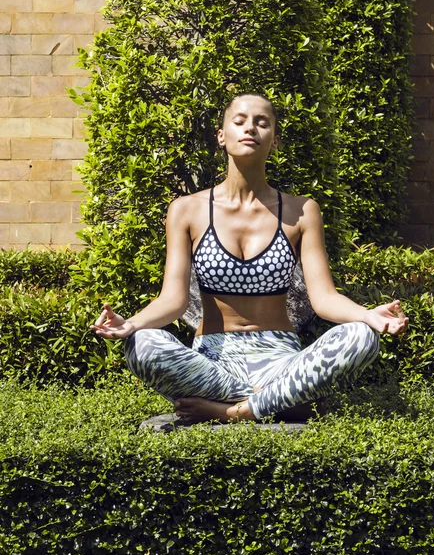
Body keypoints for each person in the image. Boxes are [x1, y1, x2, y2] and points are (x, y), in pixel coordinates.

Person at [91, 93, 409, 424]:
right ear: (221, 135)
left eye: (262, 122)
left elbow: (324, 298)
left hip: (280, 361)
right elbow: (173, 300)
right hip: (212, 364)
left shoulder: (302, 211)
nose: (250, 129)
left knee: (361, 336)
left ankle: (235, 411)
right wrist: (131, 324)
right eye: (239, 121)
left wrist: (368, 316)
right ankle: (282, 402)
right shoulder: (186, 210)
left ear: (275, 140)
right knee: (142, 343)